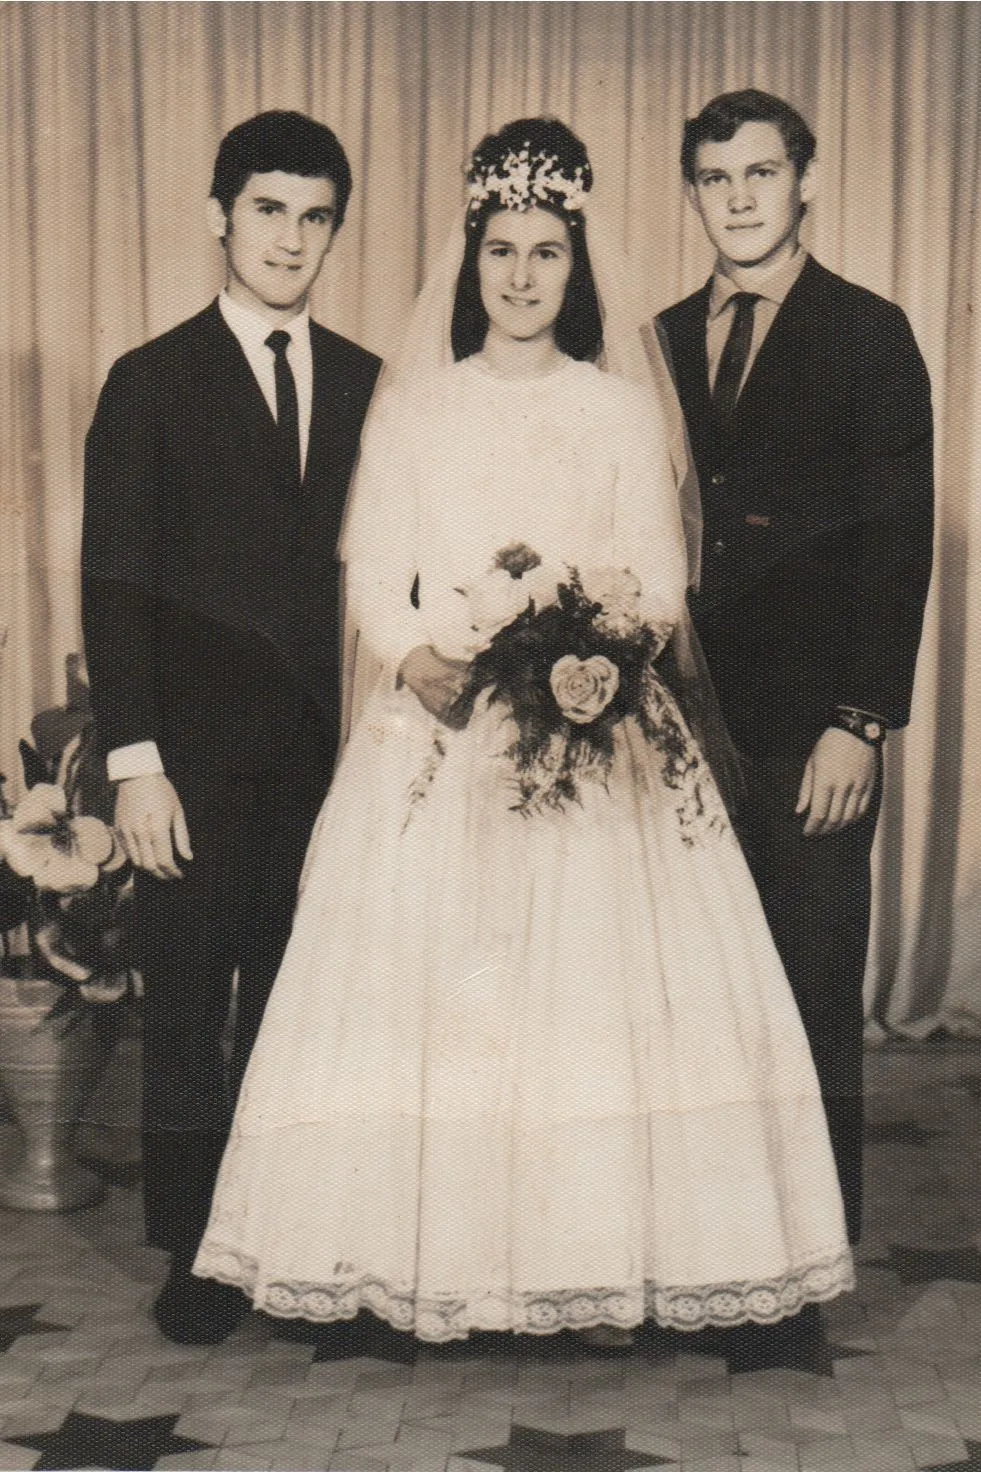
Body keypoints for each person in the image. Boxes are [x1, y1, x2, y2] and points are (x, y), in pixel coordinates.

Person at [194, 117, 853, 1351]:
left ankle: (614, 1258)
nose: (521, 275)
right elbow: (371, 567)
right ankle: (401, 1260)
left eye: (546, 251)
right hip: (440, 728)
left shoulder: (612, 410)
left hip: (594, 730)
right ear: (472, 257)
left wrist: (592, 646)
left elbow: (657, 578)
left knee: (610, 997)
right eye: (502, 249)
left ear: (574, 264)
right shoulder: (419, 408)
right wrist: (422, 652)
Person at [81, 110, 381, 1345]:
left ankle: (291, 1243)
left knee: (300, 1010)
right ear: (220, 215)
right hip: (191, 768)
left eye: (314, 217)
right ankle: (195, 1256)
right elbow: (115, 582)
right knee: (191, 1010)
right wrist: (135, 761)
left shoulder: (369, 379)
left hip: (329, 765)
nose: (291, 239)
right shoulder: (150, 380)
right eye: (268, 209)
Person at [657, 90, 934, 1247]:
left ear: (804, 182)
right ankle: (708, 1249)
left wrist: (857, 721)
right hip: (675, 727)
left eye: (760, 175)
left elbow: (896, 536)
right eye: (716, 180)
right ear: (692, 193)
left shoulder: (868, 332)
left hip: (809, 728)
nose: (738, 200)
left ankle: (808, 1264)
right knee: (698, 998)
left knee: (813, 989)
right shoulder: (659, 334)